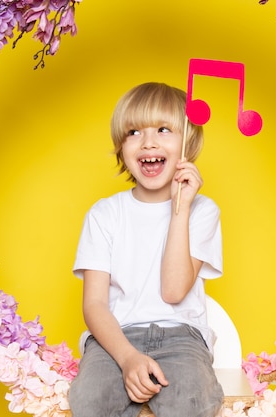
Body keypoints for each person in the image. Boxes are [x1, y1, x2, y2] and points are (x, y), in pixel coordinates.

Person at [68, 82, 224, 417]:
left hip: (182, 337)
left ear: (187, 144)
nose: (148, 141)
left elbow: (173, 290)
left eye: (164, 130)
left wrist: (180, 209)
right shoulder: (104, 214)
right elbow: (94, 304)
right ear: (121, 148)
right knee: (90, 398)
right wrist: (127, 358)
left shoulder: (202, 211)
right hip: (115, 337)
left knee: (193, 399)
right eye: (134, 132)